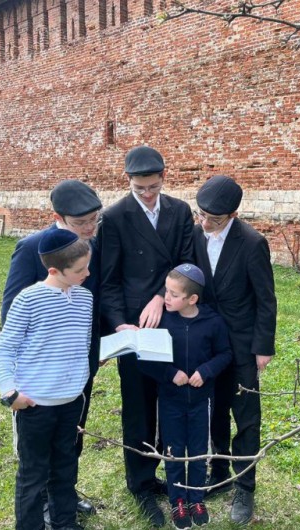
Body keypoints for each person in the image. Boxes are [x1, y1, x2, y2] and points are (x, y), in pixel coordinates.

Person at [99, 145, 195, 527]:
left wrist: (161, 297)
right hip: (135, 329)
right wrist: (120, 324)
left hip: (172, 317)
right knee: (138, 405)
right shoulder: (115, 216)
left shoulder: (180, 211)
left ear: (163, 178)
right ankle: (139, 481)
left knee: (172, 399)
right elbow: (108, 281)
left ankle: (169, 473)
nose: (149, 195)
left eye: (154, 187)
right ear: (129, 182)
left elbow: (185, 263)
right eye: (141, 189)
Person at [0, 179, 102, 518]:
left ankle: (63, 500)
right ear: (57, 216)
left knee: (69, 439)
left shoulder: (91, 246)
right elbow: (11, 311)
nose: (89, 228)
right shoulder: (31, 248)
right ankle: (40, 502)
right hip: (39, 375)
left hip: (76, 369)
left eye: (94, 220)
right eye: (80, 223)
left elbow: (95, 298)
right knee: (37, 452)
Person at [193, 175, 277, 525]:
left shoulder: (252, 242)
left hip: (241, 343)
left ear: (233, 214)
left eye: (213, 218)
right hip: (207, 343)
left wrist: (263, 347)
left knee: (246, 417)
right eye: (201, 215)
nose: (205, 223)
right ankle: (219, 472)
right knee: (214, 410)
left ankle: (245, 487)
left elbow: (265, 298)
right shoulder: (196, 235)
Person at [136, 264, 233, 529]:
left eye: (173, 294)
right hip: (170, 401)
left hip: (202, 402)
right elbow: (144, 360)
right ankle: (178, 500)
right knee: (174, 451)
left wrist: (205, 370)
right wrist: (170, 373)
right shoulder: (161, 322)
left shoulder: (212, 322)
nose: (165, 298)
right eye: (166, 291)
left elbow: (225, 354)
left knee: (199, 452)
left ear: (192, 299)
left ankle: (196, 498)